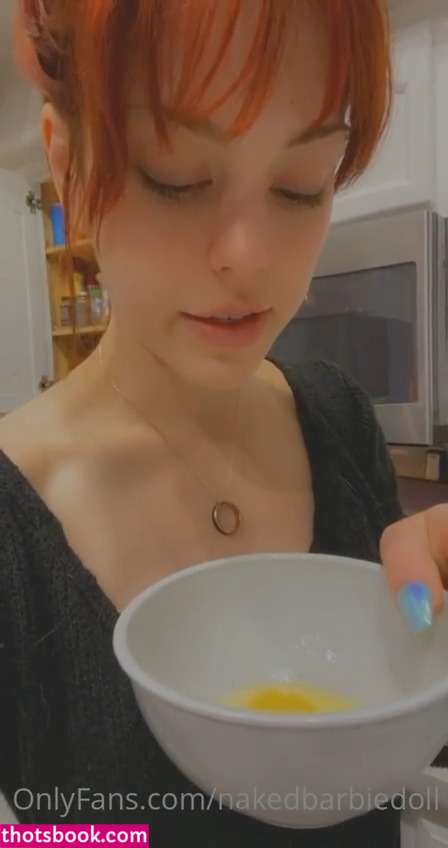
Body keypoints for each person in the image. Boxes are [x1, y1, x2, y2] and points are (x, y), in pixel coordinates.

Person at [0, 0, 446, 844]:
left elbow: (391, 757)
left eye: (302, 182)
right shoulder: (15, 532)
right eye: (174, 175)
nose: (250, 257)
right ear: (66, 167)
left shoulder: (338, 419)